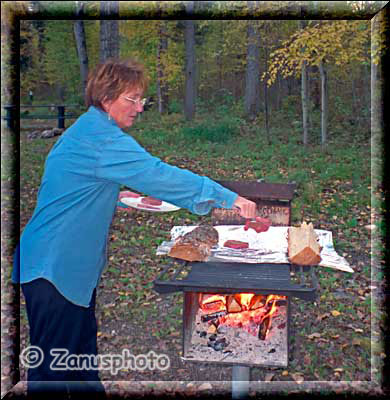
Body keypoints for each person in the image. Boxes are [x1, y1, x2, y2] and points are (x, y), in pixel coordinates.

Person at [12, 58, 257, 399]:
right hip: (54, 268)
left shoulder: (87, 130)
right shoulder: (102, 140)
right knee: (51, 373)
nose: (140, 107)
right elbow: (159, 175)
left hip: (66, 270)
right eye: (133, 98)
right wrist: (225, 196)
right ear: (106, 97)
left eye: (142, 99)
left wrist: (111, 191)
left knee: (80, 363)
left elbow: (69, 185)